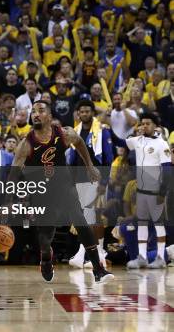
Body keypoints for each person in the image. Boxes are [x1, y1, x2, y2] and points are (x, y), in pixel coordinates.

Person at [10, 101, 114, 284]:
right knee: (46, 236)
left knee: (80, 220)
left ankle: (99, 269)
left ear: (49, 116)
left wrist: (89, 167)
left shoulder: (64, 133)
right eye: (33, 111)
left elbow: (80, 142)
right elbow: (13, 173)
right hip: (41, 191)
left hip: (64, 185)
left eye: (40, 111)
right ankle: (45, 258)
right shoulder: (26, 144)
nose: (35, 114)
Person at [67, 100, 114, 269]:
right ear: (78, 114)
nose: (85, 114)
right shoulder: (74, 131)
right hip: (80, 178)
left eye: (88, 111)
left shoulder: (102, 131)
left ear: (92, 113)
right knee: (86, 217)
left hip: (97, 178)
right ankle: (91, 253)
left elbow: (108, 159)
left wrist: (104, 182)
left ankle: (95, 252)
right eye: (82, 112)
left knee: (95, 216)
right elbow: (72, 159)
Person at [124, 113, 172, 269]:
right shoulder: (137, 140)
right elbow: (122, 142)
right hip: (141, 190)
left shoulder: (162, 144)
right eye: (142, 123)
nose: (144, 126)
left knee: (158, 224)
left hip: (156, 191)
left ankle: (160, 257)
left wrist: (162, 192)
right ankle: (142, 257)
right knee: (142, 224)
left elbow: (167, 171)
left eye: (147, 124)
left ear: (155, 126)